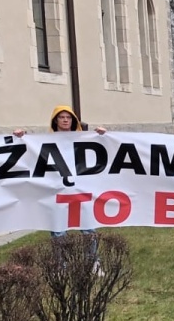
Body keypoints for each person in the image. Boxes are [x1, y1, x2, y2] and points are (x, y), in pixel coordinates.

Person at [13, 106, 107, 274]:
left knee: (88, 228)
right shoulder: (45, 141)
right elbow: (29, 153)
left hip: (80, 191)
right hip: (56, 192)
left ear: (73, 120)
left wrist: (102, 135)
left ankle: (93, 262)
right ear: (55, 121)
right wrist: (21, 138)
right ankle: (60, 266)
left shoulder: (83, 139)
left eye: (68, 117)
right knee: (58, 230)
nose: (65, 120)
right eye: (61, 117)